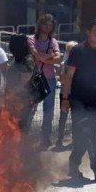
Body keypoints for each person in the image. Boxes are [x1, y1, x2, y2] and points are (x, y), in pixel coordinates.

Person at [61, 19, 96, 182]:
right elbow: (69, 76)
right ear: (88, 32)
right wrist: (65, 98)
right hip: (77, 99)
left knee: (84, 135)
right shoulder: (78, 50)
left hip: (94, 99)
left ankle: (74, 165)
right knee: (90, 132)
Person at [28, 14, 62, 147]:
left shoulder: (53, 41)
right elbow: (36, 55)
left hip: (50, 79)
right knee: (31, 108)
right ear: (39, 24)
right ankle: (25, 136)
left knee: (49, 110)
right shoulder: (31, 40)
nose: (48, 27)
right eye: (45, 24)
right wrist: (51, 56)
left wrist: (43, 57)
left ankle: (45, 137)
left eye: (50, 25)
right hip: (35, 78)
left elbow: (59, 59)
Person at [5, 33, 40, 132]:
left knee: (20, 128)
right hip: (19, 100)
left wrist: (11, 94)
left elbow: (25, 78)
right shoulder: (19, 58)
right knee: (16, 127)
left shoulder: (28, 59)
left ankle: (21, 147)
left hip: (24, 100)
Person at [54, 41, 77, 149]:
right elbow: (62, 80)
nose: (71, 52)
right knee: (64, 117)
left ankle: (74, 139)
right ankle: (60, 139)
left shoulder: (79, 63)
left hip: (75, 93)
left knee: (74, 117)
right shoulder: (64, 64)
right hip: (65, 94)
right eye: (69, 50)